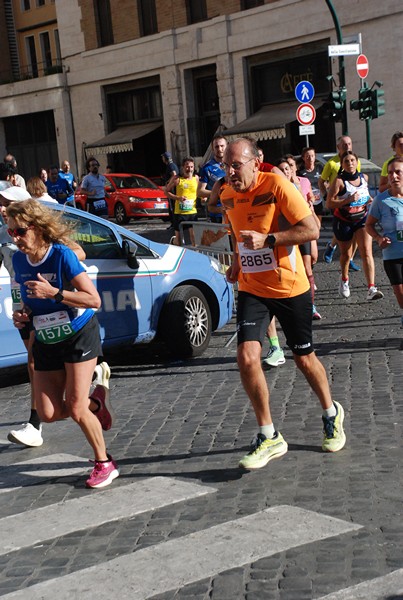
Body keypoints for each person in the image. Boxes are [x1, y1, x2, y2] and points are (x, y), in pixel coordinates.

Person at [221, 137, 346, 470]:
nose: (230, 172)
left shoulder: (275, 184)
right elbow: (237, 234)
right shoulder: (226, 195)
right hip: (252, 287)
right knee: (247, 356)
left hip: (291, 287)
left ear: (254, 161)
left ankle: (331, 412)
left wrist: (269, 240)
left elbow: (312, 229)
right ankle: (269, 434)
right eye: (226, 166)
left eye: (236, 165)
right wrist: (237, 260)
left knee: (304, 359)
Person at [7, 199, 118, 488]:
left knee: (76, 407)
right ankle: (97, 403)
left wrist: (55, 293)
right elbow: (28, 301)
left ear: (38, 228)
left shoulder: (62, 255)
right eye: (10, 233)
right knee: (48, 412)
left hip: (78, 334)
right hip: (46, 338)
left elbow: (93, 300)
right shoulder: (19, 261)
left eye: (20, 232)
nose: (15, 239)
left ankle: (104, 462)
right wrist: (23, 316)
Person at [326, 151, 383, 301]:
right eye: (346, 161)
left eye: (352, 160)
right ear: (342, 164)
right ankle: (344, 280)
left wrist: (369, 200)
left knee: (367, 252)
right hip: (343, 221)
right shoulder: (339, 181)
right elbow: (329, 203)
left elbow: (366, 195)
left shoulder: (364, 178)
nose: (350, 163)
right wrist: (347, 200)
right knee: (346, 254)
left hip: (362, 219)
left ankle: (371, 287)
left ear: (356, 162)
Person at [277, 157, 322, 321]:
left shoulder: (298, 187)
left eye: (287, 168)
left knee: (308, 269)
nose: (285, 172)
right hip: (286, 236)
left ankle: (311, 307)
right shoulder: (275, 189)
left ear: (291, 171)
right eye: (281, 169)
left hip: (301, 233)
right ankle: (291, 306)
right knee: (290, 271)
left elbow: (307, 212)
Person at [366, 156, 403, 327]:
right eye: (390, 173)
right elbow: (369, 225)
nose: (394, 176)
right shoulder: (381, 200)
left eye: (398, 172)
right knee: (401, 298)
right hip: (393, 256)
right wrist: (379, 238)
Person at [319, 136, 361, 271]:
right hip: (338, 201)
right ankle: (335, 250)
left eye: (349, 144)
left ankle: (348, 257)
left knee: (355, 232)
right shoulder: (331, 164)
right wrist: (326, 196)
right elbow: (321, 181)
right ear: (338, 147)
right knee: (343, 230)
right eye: (344, 145)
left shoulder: (355, 161)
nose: (347, 146)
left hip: (354, 202)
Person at [166, 157, 199, 246]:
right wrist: (178, 198)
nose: (190, 169)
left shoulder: (196, 178)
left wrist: (202, 197)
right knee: (179, 242)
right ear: (183, 167)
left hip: (192, 212)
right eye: (187, 167)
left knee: (194, 239)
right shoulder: (177, 179)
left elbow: (198, 191)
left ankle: (195, 257)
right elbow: (167, 191)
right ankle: (174, 241)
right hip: (180, 213)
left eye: (191, 167)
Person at [198, 135, 227, 223]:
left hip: (234, 210)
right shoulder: (207, 168)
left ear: (227, 146)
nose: (219, 149)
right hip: (217, 213)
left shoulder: (234, 164)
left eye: (222, 146)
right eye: (217, 146)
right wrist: (218, 193)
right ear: (212, 148)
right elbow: (199, 191)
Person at [298, 147, 324, 223]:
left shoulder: (320, 168)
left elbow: (327, 181)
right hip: (308, 201)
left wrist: (325, 186)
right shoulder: (301, 172)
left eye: (312, 156)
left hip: (319, 200)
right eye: (308, 156)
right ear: (303, 158)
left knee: (318, 224)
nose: (310, 158)